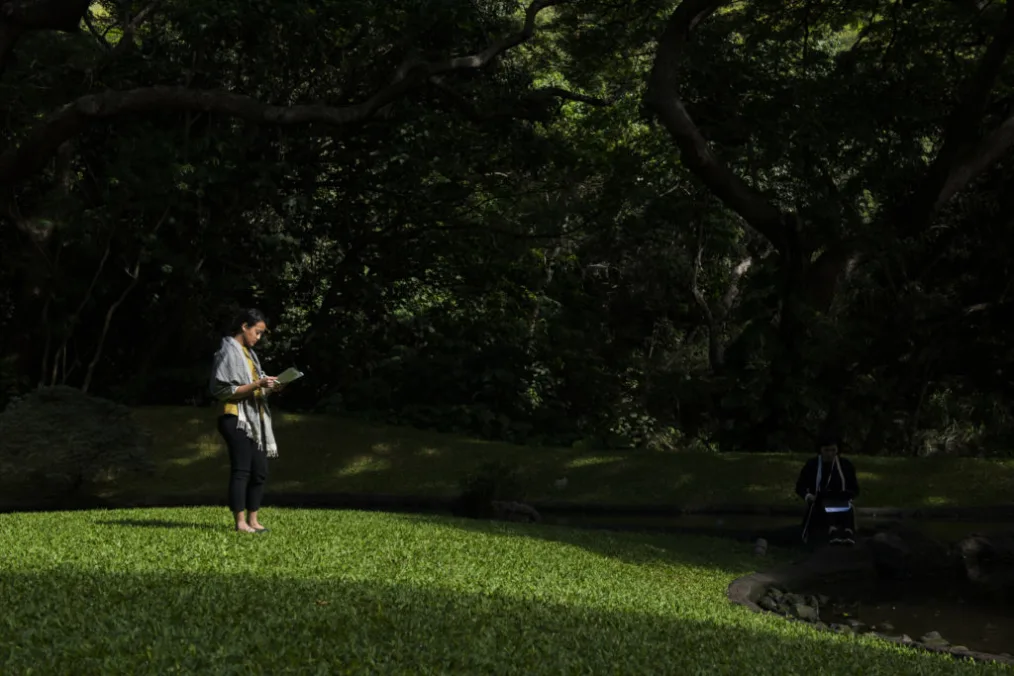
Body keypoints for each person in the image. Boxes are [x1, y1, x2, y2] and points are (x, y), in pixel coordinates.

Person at [209, 309, 285, 533]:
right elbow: (223, 390)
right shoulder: (227, 351)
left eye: (261, 334)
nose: (258, 338)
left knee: (260, 470)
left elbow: (256, 389)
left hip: (255, 419)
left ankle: (254, 519)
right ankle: (240, 522)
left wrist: (273, 386)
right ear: (244, 326)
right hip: (234, 417)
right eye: (257, 332)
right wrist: (258, 385)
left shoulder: (250, 355)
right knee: (242, 469)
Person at [795, 432, 860, 545]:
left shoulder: (846, 465)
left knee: (845, 509)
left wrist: (848, 495)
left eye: (833, 450)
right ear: (820, 450)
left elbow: (855, 488)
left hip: (841, 503)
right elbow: (800, 487)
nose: (830, 454)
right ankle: (831, 533)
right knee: (827, 506)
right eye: (826, 450)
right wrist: (809, 496)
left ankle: (847, 534)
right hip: (819, 504)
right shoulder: (812, 465)